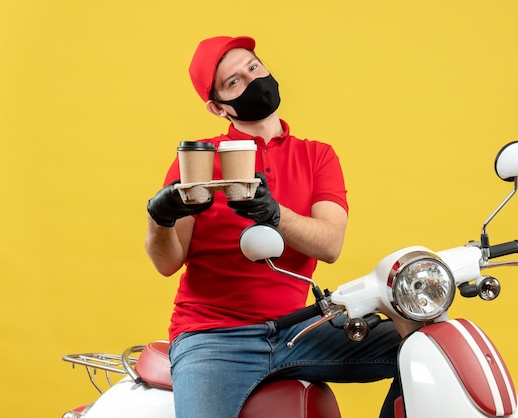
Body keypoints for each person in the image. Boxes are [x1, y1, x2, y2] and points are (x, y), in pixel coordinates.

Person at [145, 35, 402, 418]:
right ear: (218, 107)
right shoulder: (199, 159)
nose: (252, 81)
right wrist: (159, 220)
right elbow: (167, 263)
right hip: (213, 339)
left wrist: (274, 214)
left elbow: (330, 244)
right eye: (235, 82)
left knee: (423, 348)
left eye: (254, 67)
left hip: (298, 330)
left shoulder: (317, 156)